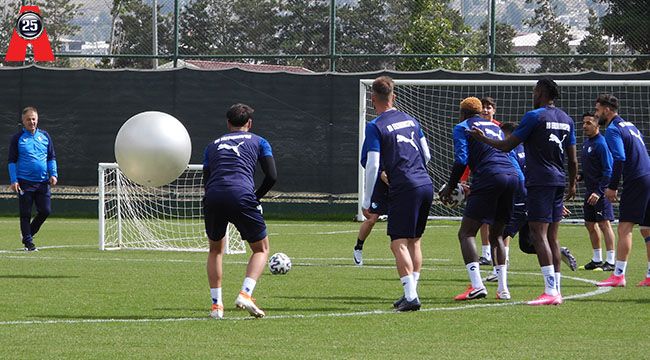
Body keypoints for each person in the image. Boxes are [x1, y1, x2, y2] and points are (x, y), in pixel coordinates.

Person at [468, 78, 578, 306]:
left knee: (538, 234)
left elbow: (507, 145)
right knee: (552, 237)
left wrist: (482, 138)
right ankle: (557, 289)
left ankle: (550, 290)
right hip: (559, 181)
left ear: (541, 91)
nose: (533, 94)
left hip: (539, 182)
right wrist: (572, 185)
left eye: (535, 90)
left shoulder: (534, 116)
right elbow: (573, 158)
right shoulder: (567, 119)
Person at [360, 76, 433, 312]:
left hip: (405, 186)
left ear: (372, 99)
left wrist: (367, 199)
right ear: (395, 96)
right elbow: (427, 155)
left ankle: (411, 296)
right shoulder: (412, 120)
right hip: (425, 183)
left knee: (398, 243)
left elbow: (372, 165)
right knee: (414, 241)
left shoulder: (375, 126)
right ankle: (410, 292)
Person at [203, 103, 277, 319]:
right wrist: (256, 197)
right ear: (250, 124)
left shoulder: (212, 145)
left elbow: (207, 180)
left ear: (228, 124)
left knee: (215, 250)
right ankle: (245, 293)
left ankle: (217, 307)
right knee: (261, 249)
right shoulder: (259, 141)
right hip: (242, 195)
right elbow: (272, 176)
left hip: (213, 196)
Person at [440, 97, 518, 301]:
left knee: (466, 233)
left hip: (490, 176)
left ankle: (477, 286)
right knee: (497, 236)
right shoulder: (495, 126)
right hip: (512, 176)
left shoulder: (462, 126)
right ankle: (503, 289)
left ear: (462, 113)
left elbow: (461, 160)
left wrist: (450, 186)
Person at [593, 94, 650, 287]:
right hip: (648, 176)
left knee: (625, 228)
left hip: (637, 179)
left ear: (607, 110)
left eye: (598, 110)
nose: (596, 114)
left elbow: (619, 158)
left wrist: (612, 186)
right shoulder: (631, 126)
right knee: (647, 229)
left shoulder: (613, 129)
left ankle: (618, 275)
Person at [7, 106, 58, 252]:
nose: (32, 122)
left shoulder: (45, 136)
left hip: (42, 182)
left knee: (45, 211)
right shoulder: (17, 139)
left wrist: (53, 174)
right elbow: (11, 161)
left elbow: (51, 157)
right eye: (28, 119)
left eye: (34, 119)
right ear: (23, 121)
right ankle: (29, 243)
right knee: (25, 213)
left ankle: (28, 233)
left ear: (37, 119)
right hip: (24, 182)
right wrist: (14, 180)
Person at [577, 112, 616, 271]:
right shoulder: (587, 143)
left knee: (604, 224)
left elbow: (608, 170)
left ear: (597, 125)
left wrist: (599, 192)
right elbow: (593, 167)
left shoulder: (601, 144)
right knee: (590, 224)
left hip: (600, 192)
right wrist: (581, 175)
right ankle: (597, 259)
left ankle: (611, 261)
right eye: (584, 123)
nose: (585, 126)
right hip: (590, 191)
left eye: (588, 123)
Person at [476, 97, 503, 265]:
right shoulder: (475, 129)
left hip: (501, 177)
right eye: (483, 108)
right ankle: (486, 254)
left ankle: (503, 255)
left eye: (489, 107)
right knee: (483, 218)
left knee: (500, 220)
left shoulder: (501, 128)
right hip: (483, 176)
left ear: (494, 110)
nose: (486, 110)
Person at [353, 170, 388, 266]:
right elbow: (380, 173)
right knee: (372, 219)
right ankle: (358, 247)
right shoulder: (379, 157)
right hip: (380, 189)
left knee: (401, 219)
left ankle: (406, 251)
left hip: (399, 187)